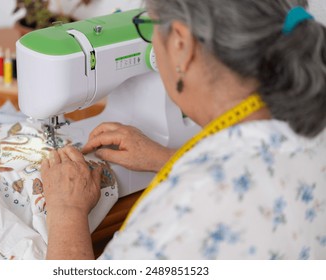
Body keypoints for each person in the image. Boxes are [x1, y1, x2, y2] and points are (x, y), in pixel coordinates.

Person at [41, 0, 326, 259]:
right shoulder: (313, 130)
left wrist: (67, 212)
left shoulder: (180, 214)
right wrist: (166, 158)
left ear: (181, 44)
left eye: (148, 26)